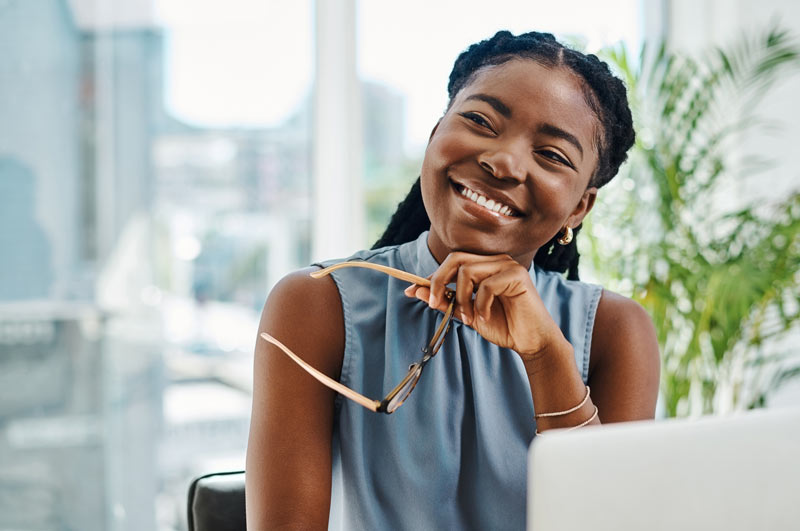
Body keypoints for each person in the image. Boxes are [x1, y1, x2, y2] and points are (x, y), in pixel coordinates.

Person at [246, 30, 660, 530]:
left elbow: (607, 522)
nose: (503, 161)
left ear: (579, 206)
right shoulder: (317, 304)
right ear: (436, 132)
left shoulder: (617, 332)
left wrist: (548, 358)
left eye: (551, 154)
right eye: (480, 120)